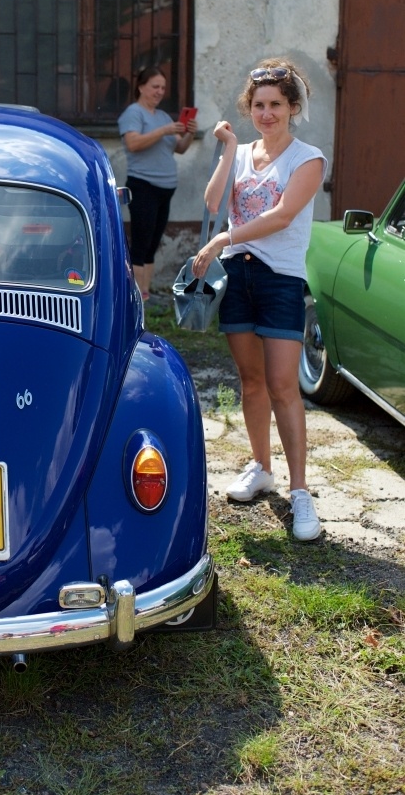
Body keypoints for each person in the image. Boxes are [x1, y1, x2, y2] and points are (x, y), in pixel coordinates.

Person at [191, 59, 326, 542]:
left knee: (283, 385)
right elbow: (212, 202)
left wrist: (223, 240)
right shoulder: (244, 151)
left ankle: (302, 491)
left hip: (280, 280)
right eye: (258, 105)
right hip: (239, 280)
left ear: (292, 107)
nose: (266, 113)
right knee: (251, 382)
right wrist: (228, 149)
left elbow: (283, 216)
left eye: (275, 105)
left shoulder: (307, 158)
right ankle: (261, 467)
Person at [118, 66, 197, 299]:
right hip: (143, 185)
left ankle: (145, 293)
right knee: (141, 242)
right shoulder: (134, 113)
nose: (159, 91)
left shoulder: (162, 116)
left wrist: (190, 133)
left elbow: (180, 148)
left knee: (153, 243)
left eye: (163, 87)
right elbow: (133, 144)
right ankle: (135, 296)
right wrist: (164, 130)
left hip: (165, 189)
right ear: (141, 87)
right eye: (155, 86)